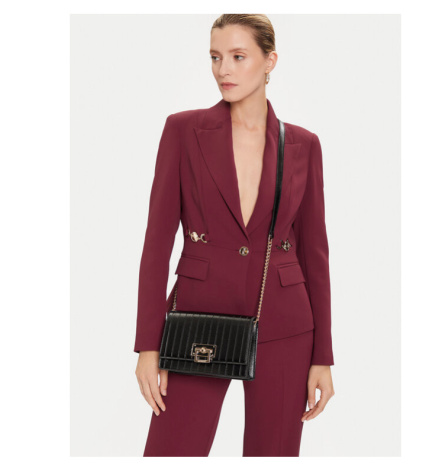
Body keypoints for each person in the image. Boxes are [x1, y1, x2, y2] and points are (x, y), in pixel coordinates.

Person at [134, 14, 335, 457]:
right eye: (215, 57)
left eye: (238, 57)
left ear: (270, 61)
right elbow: (156, 245)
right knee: (171, 453)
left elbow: (314, 254)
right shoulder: (183, 130)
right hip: (197, 321)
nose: (223, 69)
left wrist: (322, 355)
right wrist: (148, 345)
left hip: (285, 325)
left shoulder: (303, 145)